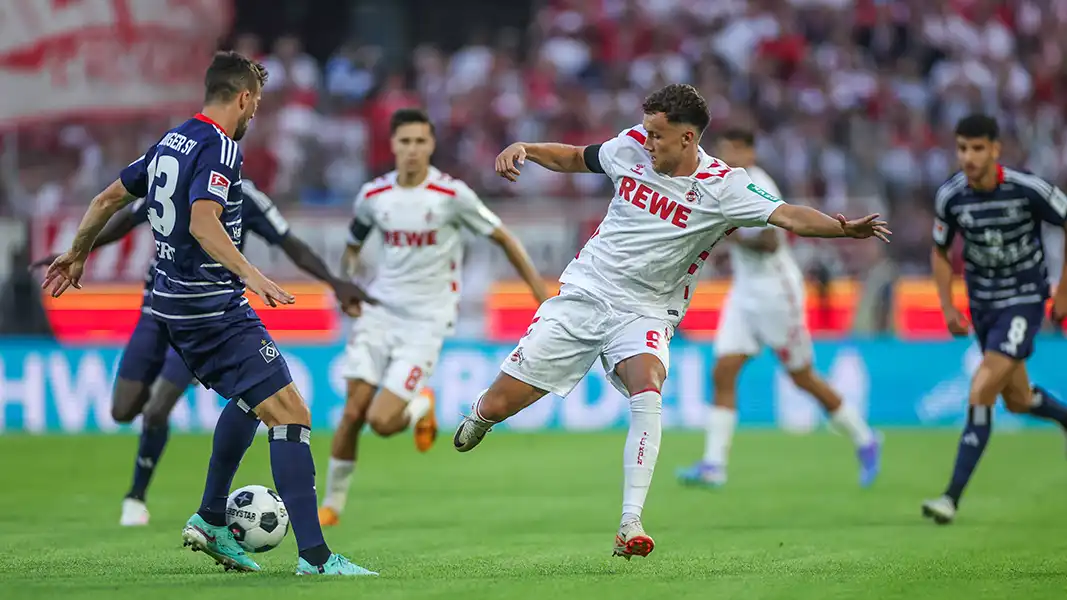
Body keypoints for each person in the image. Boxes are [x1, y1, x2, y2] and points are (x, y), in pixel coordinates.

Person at [451, 84, 891, 559]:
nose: (648, 140)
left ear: (687, 139)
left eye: (658, 134)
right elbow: (577, 157)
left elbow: (788, 217)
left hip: (647, 309)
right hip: (586, 292)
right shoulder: (631, 146)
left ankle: (630, 522)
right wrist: (527, 149)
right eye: (647, 130)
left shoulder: (726, 186)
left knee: (649, 383)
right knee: (500, 403)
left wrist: (842, 228)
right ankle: (479, 416)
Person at [43, 51, 375, 576]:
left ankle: (211, 517)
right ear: (242, 97)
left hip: (171, 304)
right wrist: (253, 274)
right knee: (292, 415)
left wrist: (79, 250)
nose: (254, 117)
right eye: (256, 105)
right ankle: (316, 558)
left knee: (251, 401)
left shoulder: (172, 140)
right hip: (212, 305)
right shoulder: (220, 147)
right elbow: (203, 224)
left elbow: (108, 198)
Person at [32, 180, 369, 527]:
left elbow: (291, 245)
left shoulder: (247, 197)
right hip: (155, 310)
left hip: (204, 318)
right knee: (123, 409)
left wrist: (334, 282)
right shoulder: (174, 180)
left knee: (158, 408)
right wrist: (78, 250)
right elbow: (125, 218)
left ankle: (136, 497)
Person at [318, 108, 548, 526]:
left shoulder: (451, 195)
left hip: (426, 322)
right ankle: (331, 505)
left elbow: (503, 237)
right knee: (352, 412)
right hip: (378, 312)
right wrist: (345, 284)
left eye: (420, 141)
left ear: (431, 145)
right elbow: (352, 247)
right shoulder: (372, 196)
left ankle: (421, 407)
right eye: (404, 141)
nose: (412, 149)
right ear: (392, 145)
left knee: (382, 422)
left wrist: (540, 295)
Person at [676, 128, 881, 489]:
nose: (728, 157)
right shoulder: (723, 181)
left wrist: (727, 233)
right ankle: (713, 464)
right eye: (724, 151)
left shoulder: (759, 184)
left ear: (751, 153)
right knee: (724, 370)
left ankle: (864, 438)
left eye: (735, 150)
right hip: (744, 292)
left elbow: (771, 241)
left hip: (776, 293)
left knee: (801, 376)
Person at [922, 114, 1067, 524]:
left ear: (995, 149)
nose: (969, 157)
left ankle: (950, 497)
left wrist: (1064, 291)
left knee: (982, 386)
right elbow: (939, 249)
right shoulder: (951, 196)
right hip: (982, 306)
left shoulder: (1027, 188)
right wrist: (948, 306)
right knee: (1018, 399)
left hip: (1023, 301)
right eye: (963, 148)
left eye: (978, 148)